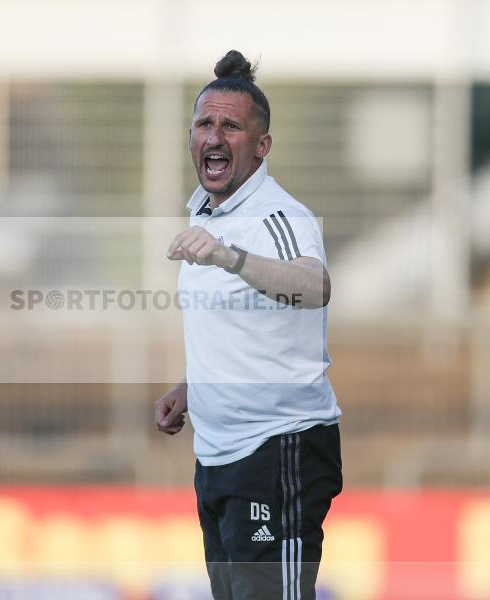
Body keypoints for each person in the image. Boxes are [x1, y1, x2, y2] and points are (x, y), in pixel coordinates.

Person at [155, 50, 343, 600]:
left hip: (276, 451)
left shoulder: (278, 216)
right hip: (218, 459)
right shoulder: (209, 213)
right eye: (204, 124)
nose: (214, 137)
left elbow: (314, 287)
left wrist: (228, 256)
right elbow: (241, 326)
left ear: (262, 145)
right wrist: (191, 388)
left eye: (231, 127)